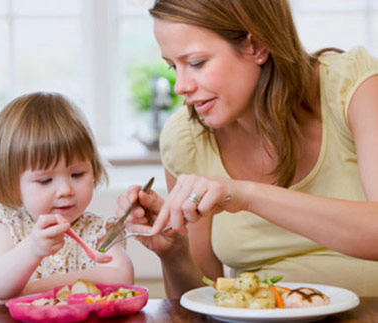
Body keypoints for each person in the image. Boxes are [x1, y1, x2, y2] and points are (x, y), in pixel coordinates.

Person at [118, 0, 378, 298]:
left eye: (196, 63)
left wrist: (246, 194)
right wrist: (175, 253)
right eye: (173, 66)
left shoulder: (352, 88)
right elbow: (205, 301)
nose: (180, 86)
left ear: (257, 46)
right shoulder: (187, 138)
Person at [0, 92, 133, 304]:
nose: (65, 190)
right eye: (45, 180)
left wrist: (29, 291)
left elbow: (122, 277)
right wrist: (33, 248)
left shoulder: (97, 231)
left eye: (77, 174)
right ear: (14, 184)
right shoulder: (8, 229)